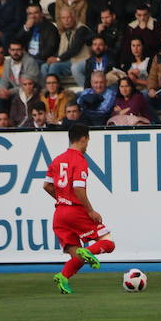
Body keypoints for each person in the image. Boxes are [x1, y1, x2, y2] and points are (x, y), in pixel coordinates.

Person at [44, 123, 116, 294]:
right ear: (83, 139)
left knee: (78, 256)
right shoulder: (80, 160)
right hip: (75, 212)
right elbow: (78, 188)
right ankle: (87, 250)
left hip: (59, 214)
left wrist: (62, 199)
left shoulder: (57, 159)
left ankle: (63, 277)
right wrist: (90, 211)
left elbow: (47, 186)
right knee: (108, 242)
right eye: (88, 140)